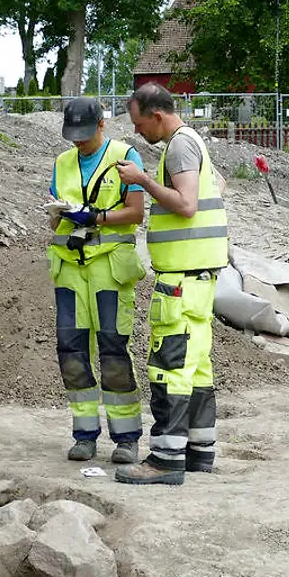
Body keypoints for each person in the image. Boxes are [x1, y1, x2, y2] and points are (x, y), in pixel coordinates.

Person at [113, 83, 229, 486]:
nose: (139, 132)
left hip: (180, 280)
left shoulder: (179, 146)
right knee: (196, 367)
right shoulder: (193, 141)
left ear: (156, 115)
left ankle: (165, 459)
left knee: (168, 366)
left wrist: (143, 180)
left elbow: (185, 205)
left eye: (139, 123)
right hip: (200, 278)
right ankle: (199, 452)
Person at [47, 96, 148, 464]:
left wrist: (97, 218)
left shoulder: (125, 157)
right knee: (71, 351)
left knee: (113, 349)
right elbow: (54, 220)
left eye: (85, 135)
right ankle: (84, 433)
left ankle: (126, 438)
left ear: (102, 125)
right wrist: (60, 216)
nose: (79, 142)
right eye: (73, 136)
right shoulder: (62, 163)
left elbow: (136, 212)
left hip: (109, 267)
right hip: (69, 267)